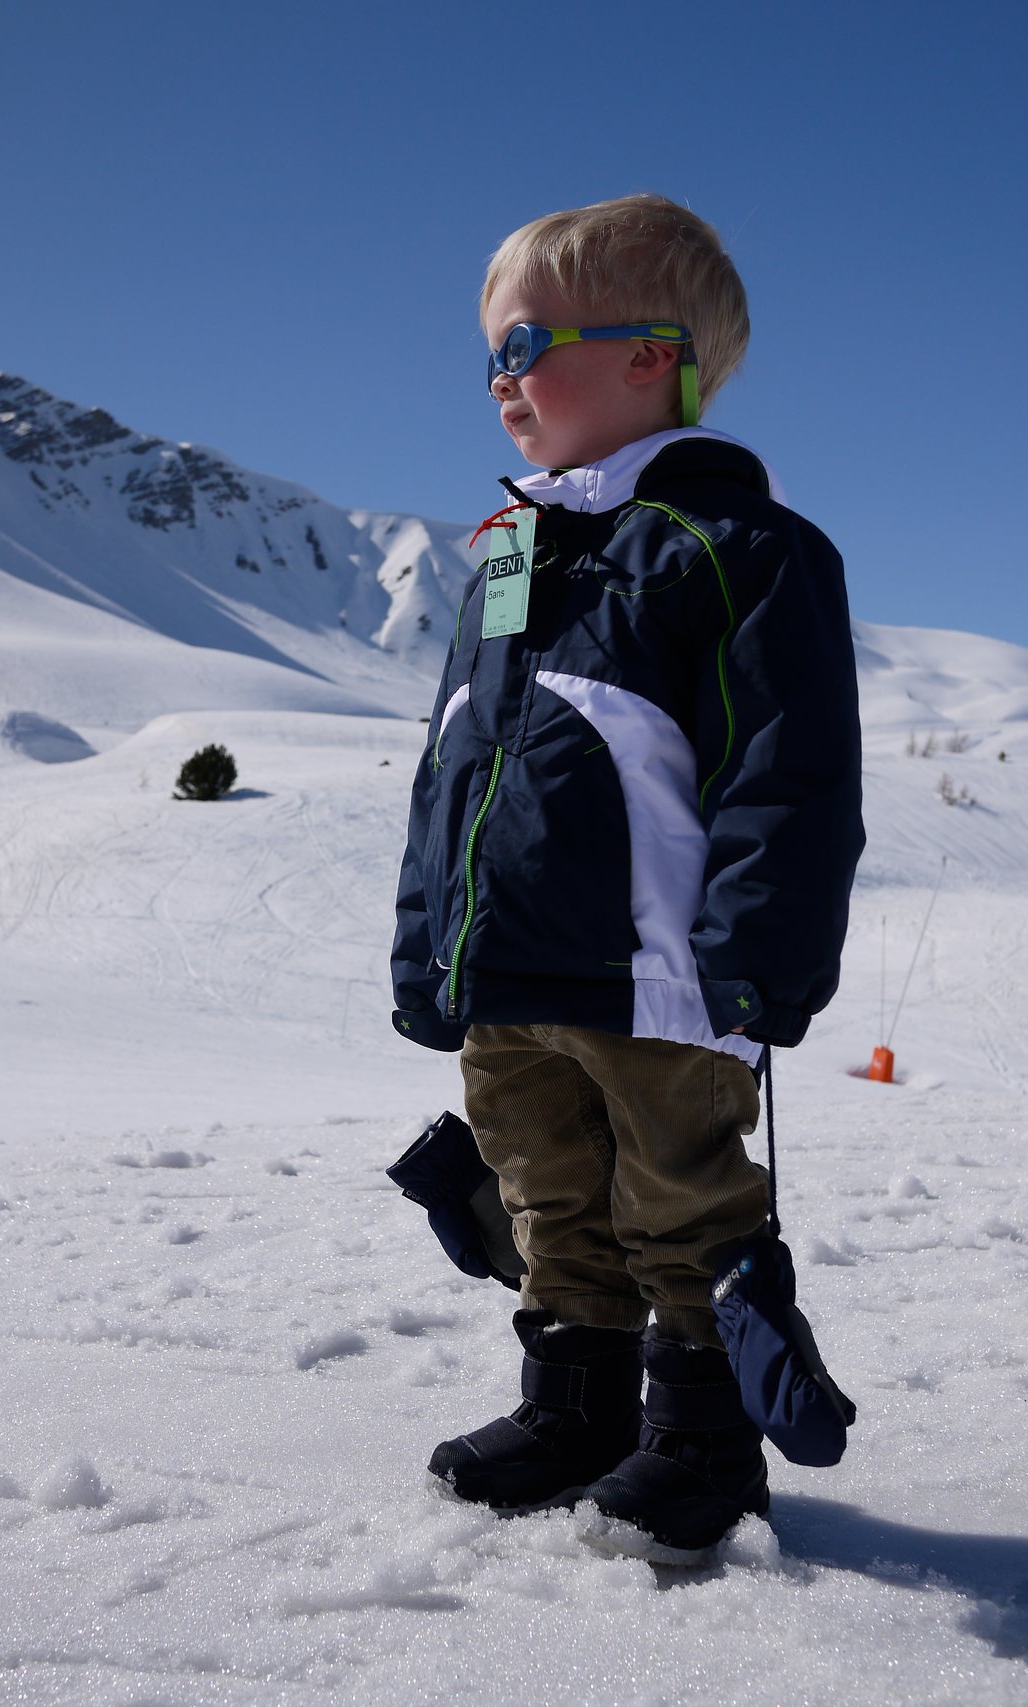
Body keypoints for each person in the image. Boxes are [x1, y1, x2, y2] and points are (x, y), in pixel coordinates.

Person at [389, 194, 864, 1562]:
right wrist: (430, 945)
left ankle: (702, 1436)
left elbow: (790, 776)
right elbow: (452, 770)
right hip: (509, 967)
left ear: (652, 356)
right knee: (545, 1192)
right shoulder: (510, 556)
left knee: (679, 1197)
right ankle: (577, 1404)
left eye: (523, 346)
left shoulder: (737, 549)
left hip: (659, 976)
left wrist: (758, 956)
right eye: (487, 355)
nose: (498, 382)